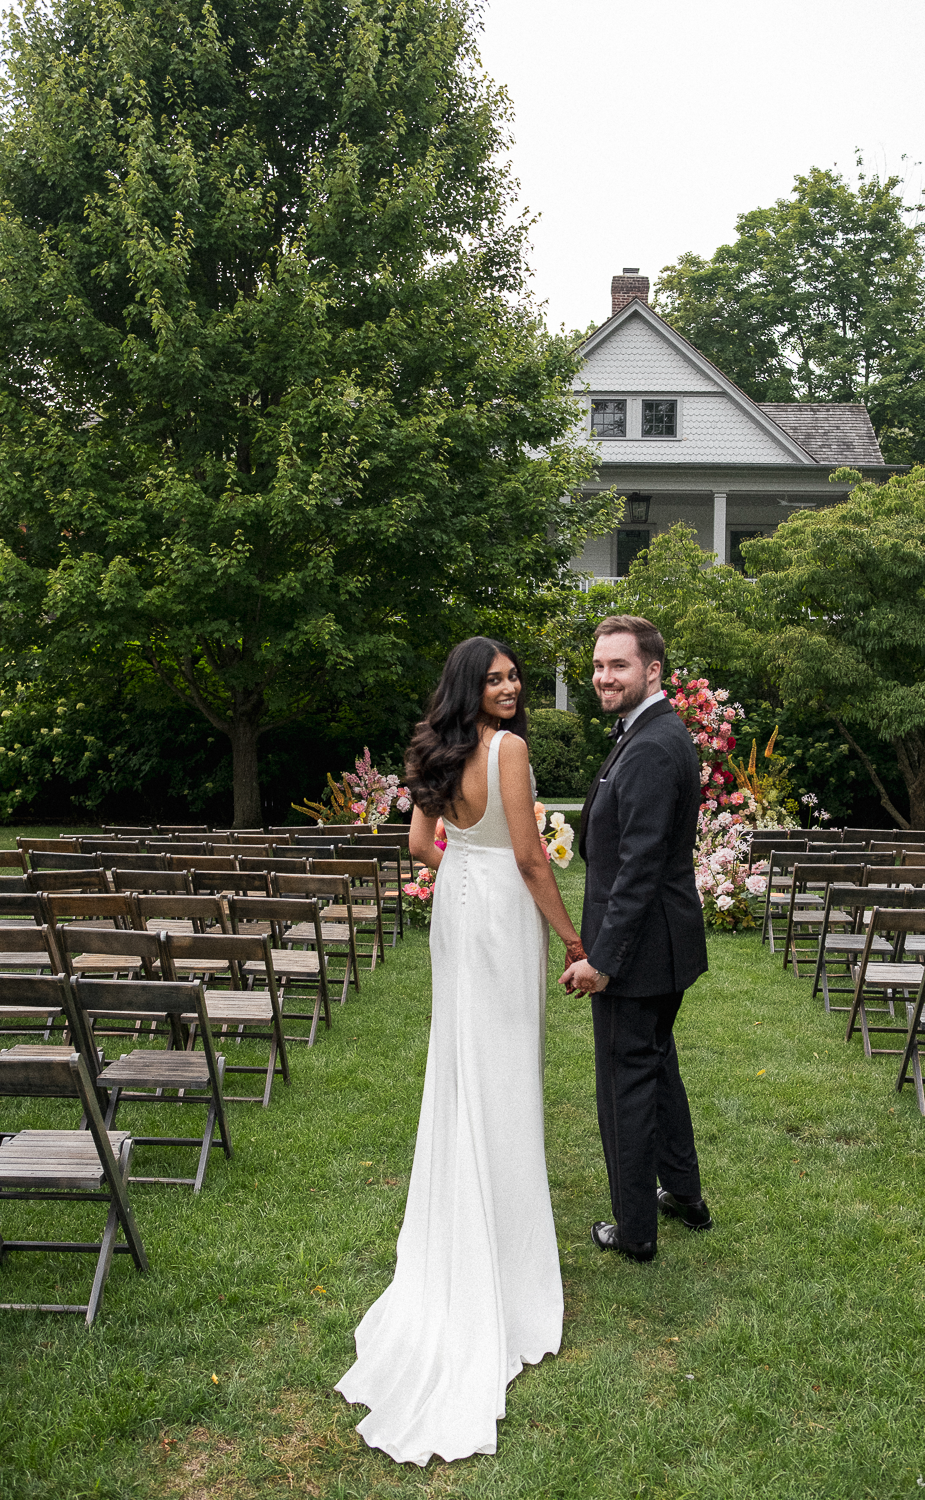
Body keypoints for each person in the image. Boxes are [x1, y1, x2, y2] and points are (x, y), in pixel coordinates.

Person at [336, 635, 583, 1466]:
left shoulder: (438, 750)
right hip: (501, 913)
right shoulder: (508, 750)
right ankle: (506, 1274)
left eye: (514, 677)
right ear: (470, 688)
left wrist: (461, 861)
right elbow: (527, 855)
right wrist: (572, 940)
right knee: (504, 1076)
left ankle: (473, 1232)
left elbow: (417, 848)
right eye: (498, 678)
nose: (511, 688)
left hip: (454, 909)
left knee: (466, 1070)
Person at [559, 615, 710, 1263]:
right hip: (662, 947)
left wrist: (602, 961)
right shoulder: (649, 731)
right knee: (658, 1069)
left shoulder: (652, 744)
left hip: (641, 953)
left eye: (617, 665)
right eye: (598, 665)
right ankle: (682, 1193)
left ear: (652, 670)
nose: (603, 676)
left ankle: (635, 1230)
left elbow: (640, 866)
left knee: (626, 1083)